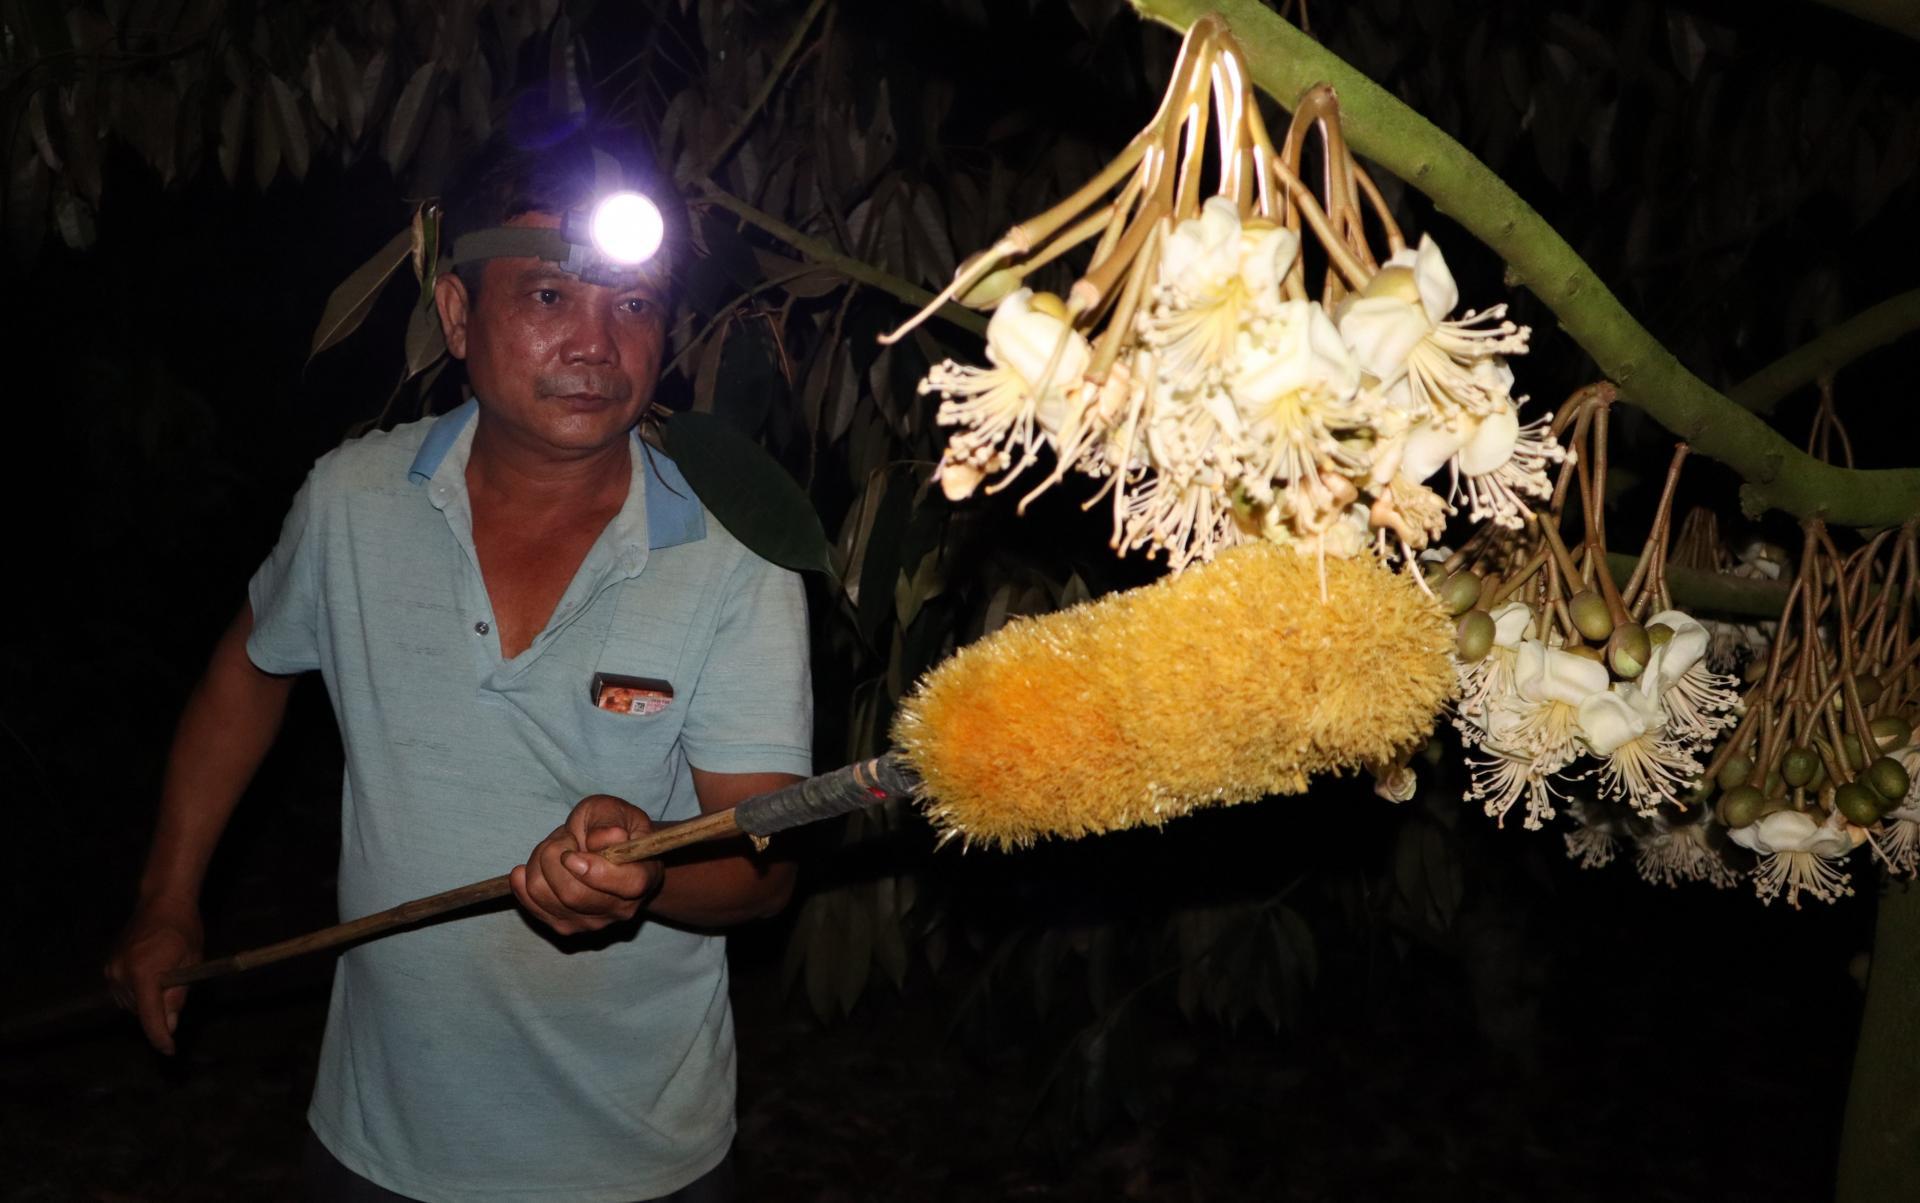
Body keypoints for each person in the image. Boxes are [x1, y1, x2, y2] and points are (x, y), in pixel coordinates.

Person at [104, 129, 814, 1202]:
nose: (596, 343)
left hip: (637, 1161)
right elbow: (247, 675)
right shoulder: (353, 503)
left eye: (632, 305)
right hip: (378, 1143)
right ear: (455, 313)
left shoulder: (736, 554)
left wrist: (649, 867)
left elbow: (762, 867)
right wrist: (168, 898)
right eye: (547, 299)